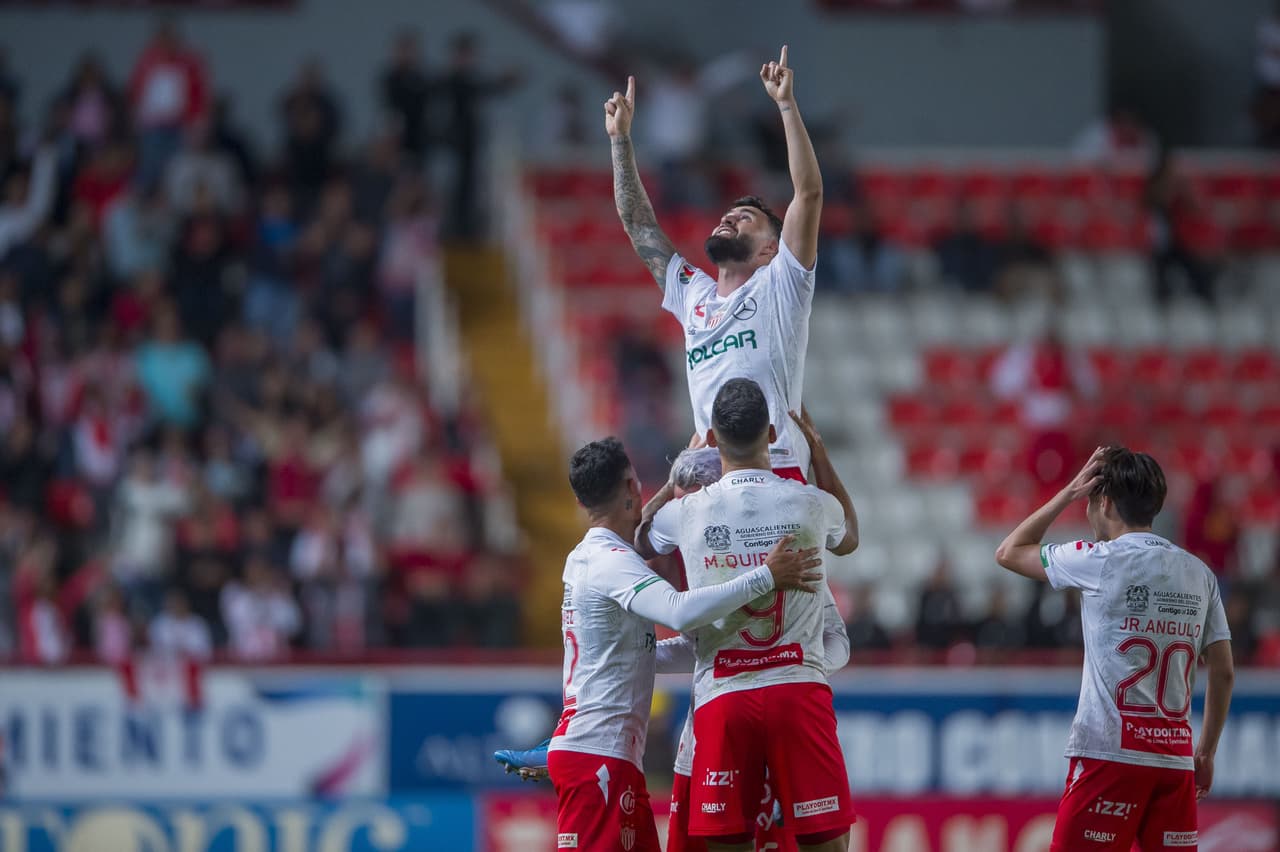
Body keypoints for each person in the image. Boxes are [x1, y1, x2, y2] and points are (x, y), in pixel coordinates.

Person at [549, 435, 823, 852]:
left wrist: (718, 644)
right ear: (629, 487)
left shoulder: (587, 558)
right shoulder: (612, 565)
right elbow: (677, 609)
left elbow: (639, 656)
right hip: (598, 761)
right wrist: (766, 577)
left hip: (601, 755)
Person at [637, 379, 857, 852]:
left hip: (725, 693)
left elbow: (640, 541)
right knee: (828, 846)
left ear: (712, 439)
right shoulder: (811, 505)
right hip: (798, 686)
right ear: (773, 433)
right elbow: (850, 535)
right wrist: (818, 452)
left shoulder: (687, 512)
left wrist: (672, 484)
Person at [995, 446, 1234, 852]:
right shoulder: (1200, 573)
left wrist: (1068, 491)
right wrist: (1205, 752)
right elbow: (1224, 672)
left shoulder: (1097, 559)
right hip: (1174, 763)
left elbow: (1009, 552)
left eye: (1089, 501)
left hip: (1109, 757)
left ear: (1103, 501)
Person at [606, 46, 822, 482]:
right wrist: (620, 141)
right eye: (729, 213)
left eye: (747, 218)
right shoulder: (693, 295)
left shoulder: (782, 286)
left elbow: (808, 194)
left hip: (776, 471)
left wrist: (785, 105)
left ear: (769, 251)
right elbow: (638, 224)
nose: (728, 216)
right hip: (712, 478)